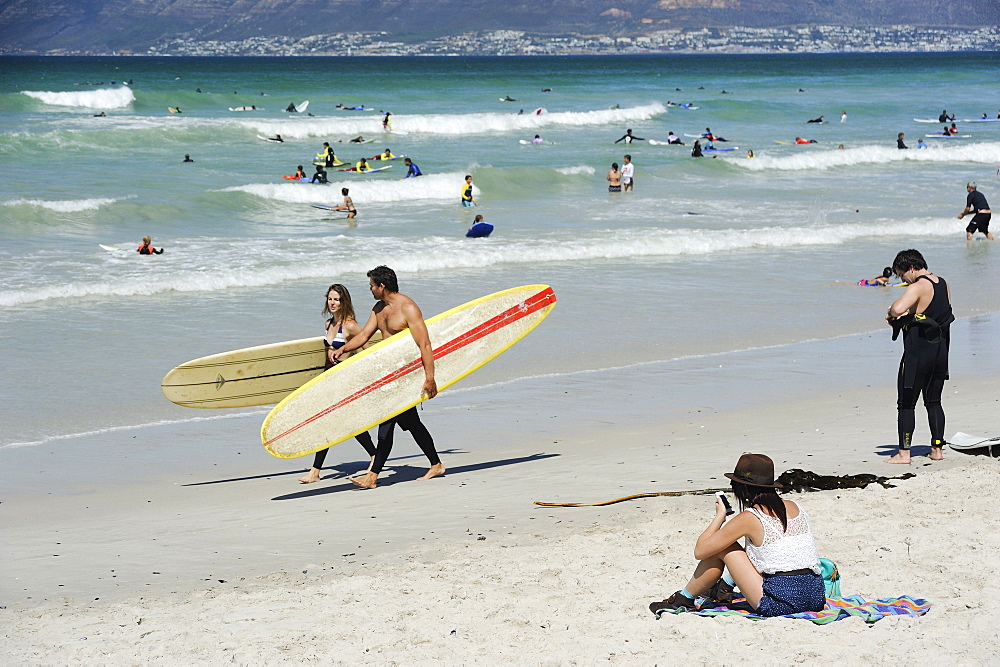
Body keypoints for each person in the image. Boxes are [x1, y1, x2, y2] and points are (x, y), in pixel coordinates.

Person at [649, 454, 826, 617]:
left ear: (741, 489)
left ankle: (683, 599)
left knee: (725, 547)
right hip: (816, 596)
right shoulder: (795, 506)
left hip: (781, 603)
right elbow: (776, 556)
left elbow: (701, 551)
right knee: (761, 553)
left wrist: (720, 516)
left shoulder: (750, 517)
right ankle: (722, 587)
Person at [333, 266, 445, 489]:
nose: (370, 290)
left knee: (386, 422)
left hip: (405, 375)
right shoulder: (378, 308)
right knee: (412, 423)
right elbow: (364, 335)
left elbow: (424, 343)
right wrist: (343, 349)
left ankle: (373, 476)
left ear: (382, 286)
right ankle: (436, 464)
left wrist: (430, 378)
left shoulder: (408, 308)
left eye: (372, 286)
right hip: (388, 374)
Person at [298, 284, 377, 484]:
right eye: (330, 299)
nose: (333, 303)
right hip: (328, 378)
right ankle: (374, 455)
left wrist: (359, 373)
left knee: (329, 422)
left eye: (337, 300)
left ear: (344, 302)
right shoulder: (328, 324)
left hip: (344, 379)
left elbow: (366, 349)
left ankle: (316, 471)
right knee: (344, 423)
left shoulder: (350, 325)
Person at [884, 249, 954, 464]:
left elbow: (897, 309)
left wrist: (893, 312)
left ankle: (904, 453)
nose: (902, 279)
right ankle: (937, 449)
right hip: (941, 352)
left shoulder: (918, 286)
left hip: (917, 354)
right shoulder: (942, 283)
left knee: (906, 404)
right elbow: (935, 311)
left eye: (901, 274)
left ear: (911, 268)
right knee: (934, 402)